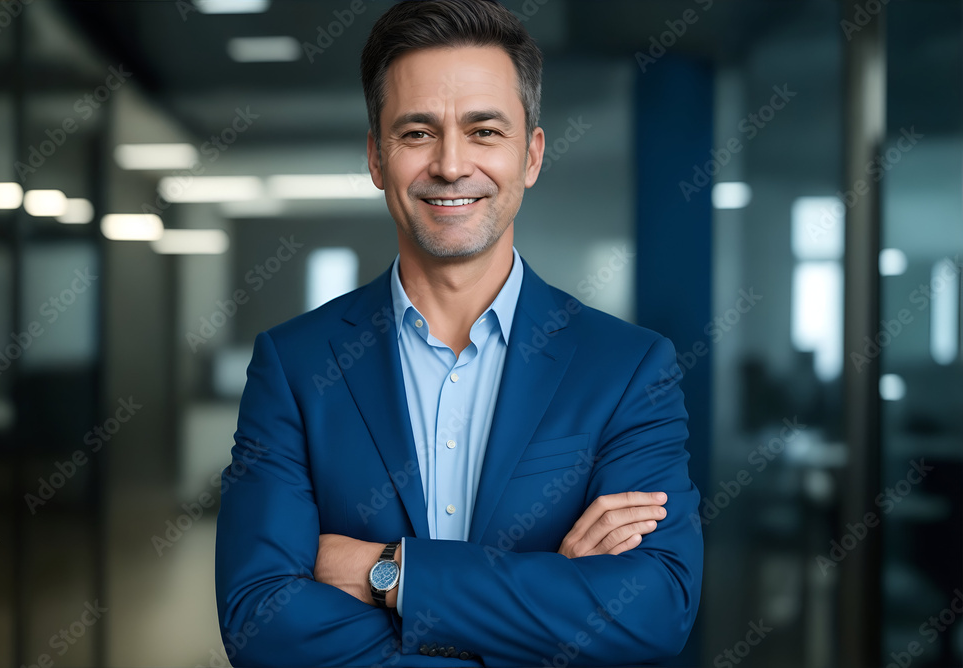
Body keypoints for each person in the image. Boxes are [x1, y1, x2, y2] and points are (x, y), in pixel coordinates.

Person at [215, 1, 702, 665]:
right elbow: (259, 621)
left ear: (530, 155)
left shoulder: (629, 369)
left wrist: (390, 573)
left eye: (483, 131)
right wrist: (543, 605)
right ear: (375, 157)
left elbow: (654, 608)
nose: (450, 165)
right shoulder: (294, 366)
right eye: (417, 133)